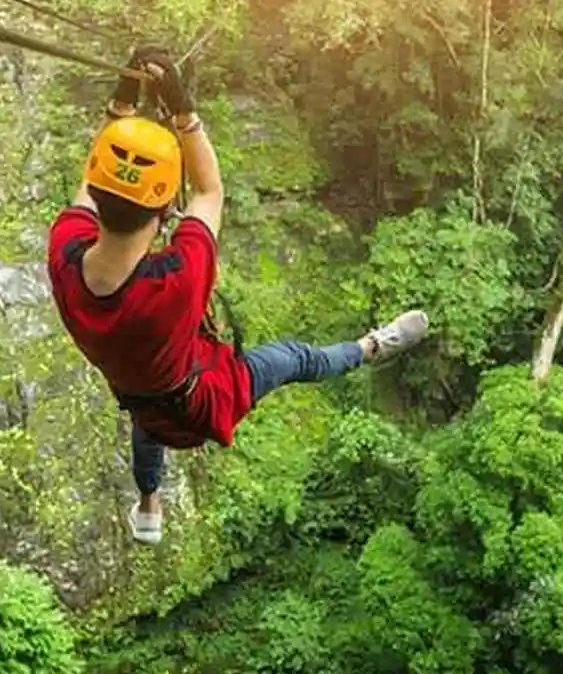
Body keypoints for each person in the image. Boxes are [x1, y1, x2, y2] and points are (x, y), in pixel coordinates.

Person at [46, 47, 429, 545]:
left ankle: (148, 507)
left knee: (148, 429)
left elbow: (95, 182)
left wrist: (124, 114)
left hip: (142, 394)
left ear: (97, 197)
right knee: (296, 358)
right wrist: (180, 108)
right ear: (165, 211)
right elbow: (208, 192)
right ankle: (373, 347)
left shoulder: (64, 257)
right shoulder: (175, 281)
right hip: (205, 397)